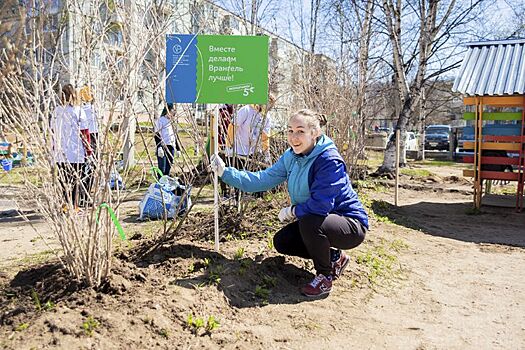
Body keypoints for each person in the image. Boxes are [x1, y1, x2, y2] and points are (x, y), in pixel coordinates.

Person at [211, 109, 368, 297]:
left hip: (349, 225)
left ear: (315, 133)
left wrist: (293, 211)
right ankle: (334, 257)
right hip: (318, 219)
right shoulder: (292, 156)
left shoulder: (328, 160)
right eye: (290, 130)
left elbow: (320, 206)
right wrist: (225, 172)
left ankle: (324, 277)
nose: (294, 137)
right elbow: (262, 179)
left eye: (300, 131)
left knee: (309, 222)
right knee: (283, 242)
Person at [50, 83, 91, 207]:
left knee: (64, 180)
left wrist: (52, 149)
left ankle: (65, 204)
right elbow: (85, 132)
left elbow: (52, 131)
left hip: (60, 152)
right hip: (76, 151)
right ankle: (74, 205)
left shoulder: (57, 111)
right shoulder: (79, 111)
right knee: (76, 180)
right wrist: (88, 149)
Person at [154, 103, 180, 178]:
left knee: (168, 167)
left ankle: (166, 183)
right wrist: (159, 147)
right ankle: (160, 183)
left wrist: (178, 149)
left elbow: (174, 136)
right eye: (172, 111)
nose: (173, 113)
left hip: (171, 146)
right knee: (162, 167)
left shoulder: (172, 122)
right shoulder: (160, 121)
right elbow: (157, 134)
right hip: (163, 146)